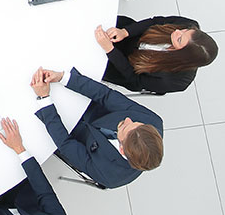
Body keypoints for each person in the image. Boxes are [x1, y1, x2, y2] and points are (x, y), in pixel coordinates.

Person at [31, 67, 163, 189]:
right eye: (135, 122)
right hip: (84, 102)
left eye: (124, 126)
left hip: (63, 130)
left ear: (122, 149)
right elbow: (107, 96)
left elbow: (66, 145)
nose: (128, 119)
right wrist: (62, 77)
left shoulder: (110, 176)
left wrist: (44, 99)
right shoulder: (152, 121)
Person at [97, 16, 218, 95]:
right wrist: (124, 32)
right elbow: (155, 21)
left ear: (182, 55)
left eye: (180, 39)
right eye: (185, 31)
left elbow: (135, 80)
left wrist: (110, 51)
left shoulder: (177, 81)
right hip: (129, 35)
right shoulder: (189, 24)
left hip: (118, 67)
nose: (177, 31)